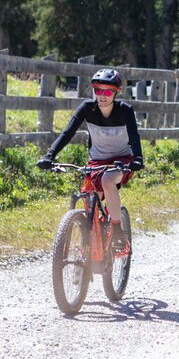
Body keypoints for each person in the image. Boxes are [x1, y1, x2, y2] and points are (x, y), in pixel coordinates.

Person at [38, 68, 144, 252]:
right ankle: (88, 250)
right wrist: (49, 155)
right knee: (89, 200)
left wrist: (138, 158)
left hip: (122, 160)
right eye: (98, 90)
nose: (102, 96)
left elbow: (134, 137)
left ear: (116, 92)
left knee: (108, 180)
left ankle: (118, 230)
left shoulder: (125, 110)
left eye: (107, 91)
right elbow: (67, 133)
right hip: (96, 160)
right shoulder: (87, 108)